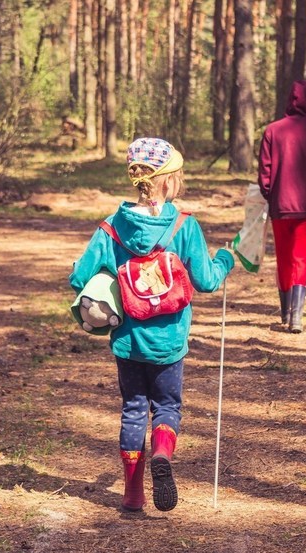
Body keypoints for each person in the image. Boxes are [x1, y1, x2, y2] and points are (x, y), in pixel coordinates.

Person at [69, 138, 234, 512]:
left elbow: (80, 277)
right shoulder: (183, 226)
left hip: (128, 341)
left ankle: (132, 494)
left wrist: (107, 280)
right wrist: (225, 259)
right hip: (170, 341)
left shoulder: (111, 228)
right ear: (168, 181)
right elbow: (207, 281)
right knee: (166, 408)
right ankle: (162, 453)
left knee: (133, 408)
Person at [258, 80, 306, 333]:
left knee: (283, 257)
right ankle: (296, 317)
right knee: (302, 257)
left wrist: (271, 194)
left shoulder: (272, 131)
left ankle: (285, 312)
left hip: (281, 204)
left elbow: (265, 173)